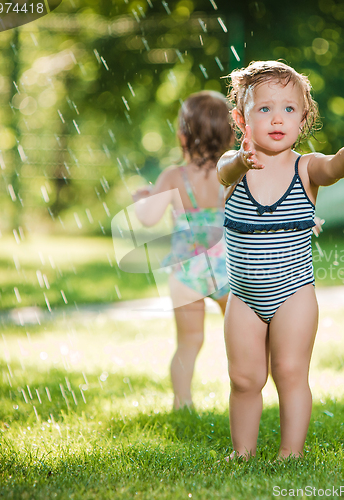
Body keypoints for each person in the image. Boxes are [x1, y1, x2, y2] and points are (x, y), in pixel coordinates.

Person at [217, 60, 344, 459]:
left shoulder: (305, 168)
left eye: (289, 109)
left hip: (293, 294)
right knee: (244, 378)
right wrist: (241, 160)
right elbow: (223, 170)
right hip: (244, 298)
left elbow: (333, 167)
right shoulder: (234, 168)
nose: (277, 118)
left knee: (289, 372)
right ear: (242, 119)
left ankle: (292, 454)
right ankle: (242, 453)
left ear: (303, 119)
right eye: (264, 108)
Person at [132, 91, 234, 410]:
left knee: (189, 341)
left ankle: (182, 402)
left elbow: (148, 219)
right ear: (231, 134)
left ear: (182, 136)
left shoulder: (174, 176)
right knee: (240, 337)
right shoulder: (234, 172)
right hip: (227, 269)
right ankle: (246, 391)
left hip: (187, 272)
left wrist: (142, 201)